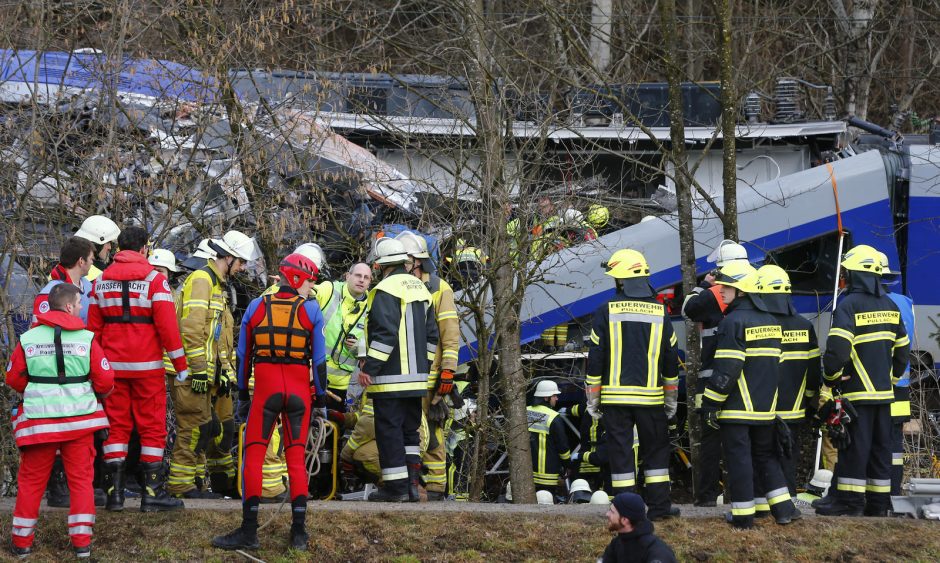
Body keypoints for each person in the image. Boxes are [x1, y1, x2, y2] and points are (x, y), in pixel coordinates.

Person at [212, 252, 327, 551]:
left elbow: (243, 355)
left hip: (265, 393)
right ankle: (298, 533)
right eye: (310, 282)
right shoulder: (312, 311)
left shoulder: (256, 306)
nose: (311, 288)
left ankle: (249, 531)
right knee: (296, 459)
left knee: (253, 456)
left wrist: (242, 393)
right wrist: (322, 396)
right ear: (298, 278)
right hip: (300, 395)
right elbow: (319, 361)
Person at [7, 283, 114, 558]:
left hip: (39, 424)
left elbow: (14, 379)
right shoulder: (87, 339)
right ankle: (81, 544)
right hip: (79, 425)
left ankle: (21, 543)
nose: (81, 308)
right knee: (80, 481)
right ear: (68, 306)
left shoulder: (28, 339)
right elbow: (105, 381)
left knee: (31, 482)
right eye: (79, 304)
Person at [87, 225, 189, 512]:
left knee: (116, 428)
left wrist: (95, 369)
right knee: (152, 429)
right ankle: (152, 494)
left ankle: (114, 495)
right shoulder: (155, 281)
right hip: (147, 369)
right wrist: (180, 365)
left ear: (120, 247)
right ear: (144, 248)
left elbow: (92, 331)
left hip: (112, 369)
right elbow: (168, 328)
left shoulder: (101, 281)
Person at [699, 261, 801, 529]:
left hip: (737, 408)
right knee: (765, 456)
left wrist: (710, 403)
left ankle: (743, 515)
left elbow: (726, 369)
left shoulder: (733, 322)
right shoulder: (771, 321)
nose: (720, 291)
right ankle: (784, 509)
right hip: (765, 408)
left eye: (727, 287)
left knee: (740, 458)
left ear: (742, 290)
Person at [815, 245, 909, 517]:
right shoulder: (891, 306)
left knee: (854, 448)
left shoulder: (849, 306)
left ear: (855, 275)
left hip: (857, 394)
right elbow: (903, 349)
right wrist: (890, 378)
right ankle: (877, 505)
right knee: (881, 450)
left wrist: (831, 378)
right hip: (884, 395)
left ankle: (849, 502)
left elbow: (837, 351)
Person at [586, 249, 679, 521]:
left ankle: (626, 513)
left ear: (621, 280)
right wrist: (670, 402)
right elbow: (671, 360)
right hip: (652, 400)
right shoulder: (661, 312)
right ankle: (660, 509)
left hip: (615, 400)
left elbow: (596, 359)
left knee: (622, 456)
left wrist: (594, 401)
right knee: (656, 454)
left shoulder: (606, 311)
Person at [172, 230, 258, 498]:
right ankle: (181, 484)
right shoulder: (202, 280)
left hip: (211, 375)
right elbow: (191, 330)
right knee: (195, 427)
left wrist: (225, 374)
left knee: (219, 427)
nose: (243, 267)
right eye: (241, 262)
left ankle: (219, 482)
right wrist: (198, 370)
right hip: (193, 373)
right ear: (228, 257)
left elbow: (221, 337)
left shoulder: (219, 284)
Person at [360, 238, 439, 502]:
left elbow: (384, 335)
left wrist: (369, 368)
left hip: (390, 379)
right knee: (410, 431)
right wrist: (424, 368)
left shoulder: (385, 290)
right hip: (417, 380)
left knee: (389, 431)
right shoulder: (421, 288)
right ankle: (412, 486)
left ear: (380, 265)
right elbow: (432, 337)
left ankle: (395, 489)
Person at [680, 239, 747, 507]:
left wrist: (704, 284)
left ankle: (706, 497)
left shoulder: (717, 291)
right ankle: (739, 494)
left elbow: (688, 309)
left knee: (710, 442)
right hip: (746, 379)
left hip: (713, 377)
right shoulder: (754, 288)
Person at [396, 231, 459, 500]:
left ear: (417, 261)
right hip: (402, 373)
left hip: (431, 375)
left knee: (432, 432)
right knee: (405, 429)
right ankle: (411, 483)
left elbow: (449, 332)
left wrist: (448, 371)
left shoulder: (438, 288)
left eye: (406, 260)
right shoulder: (396, 286)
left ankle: (434, 488)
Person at [756, 265, 821, 497]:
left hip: (760, 411)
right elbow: (815, 371)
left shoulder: (758, 325)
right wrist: (810, 399)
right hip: (794, 411)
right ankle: (789, 502)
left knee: (762, 460)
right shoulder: (805, 326)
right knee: (788, 459)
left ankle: (765, 506)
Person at [879, 252, 915, 495]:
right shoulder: (906, 302)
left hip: (877, 385)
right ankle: (893, 491)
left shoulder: (875, 305)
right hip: (901, 384)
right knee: (894, 441)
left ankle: (876, 493)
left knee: (873, 438)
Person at [316, 262, 371, 410]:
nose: (361, 280)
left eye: (366, 277)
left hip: (340, 386)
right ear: (348, 276)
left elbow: (372, 347)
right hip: (312, 378)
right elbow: (308, 292)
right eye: (358, 275)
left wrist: (357, 347)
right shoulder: (330, 290)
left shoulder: (371, 307)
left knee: (332, 428)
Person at [34, 237, 96, 325]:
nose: (92, 263)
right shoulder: (50, 292)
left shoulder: (89, 286)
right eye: (91, 259)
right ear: (81, 261)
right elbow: (38, 331)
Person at [600, 492, 678, 563]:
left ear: (625, 520)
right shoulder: (616, 545)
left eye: (612, 511)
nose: (607, 514)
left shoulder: (657, 552)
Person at [527, 380, 571, 496]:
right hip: (547, 476)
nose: (557, 399)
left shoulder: (525, 412)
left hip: (527, 473)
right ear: (546, 398)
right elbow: (563, 447)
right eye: (554, 396)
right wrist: (567, 465)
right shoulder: (554, 418)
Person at [73, 215, 121, 280]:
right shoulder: (99, 276)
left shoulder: (67, 265)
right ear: (96, 245)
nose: (109, 247)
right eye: (107, 242)